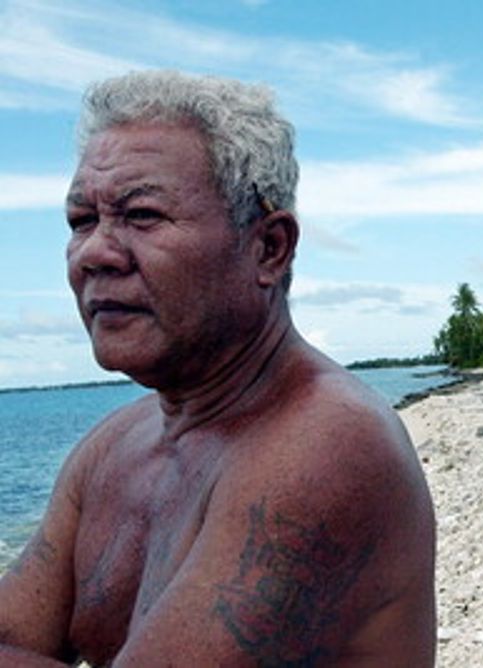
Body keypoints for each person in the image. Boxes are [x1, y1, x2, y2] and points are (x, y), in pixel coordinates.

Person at [0, 70, 436, 666]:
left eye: (143, 215)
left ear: (268, 248)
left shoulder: (329, 443)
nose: (95, 253)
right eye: (81, 221)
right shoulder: (111, 448)